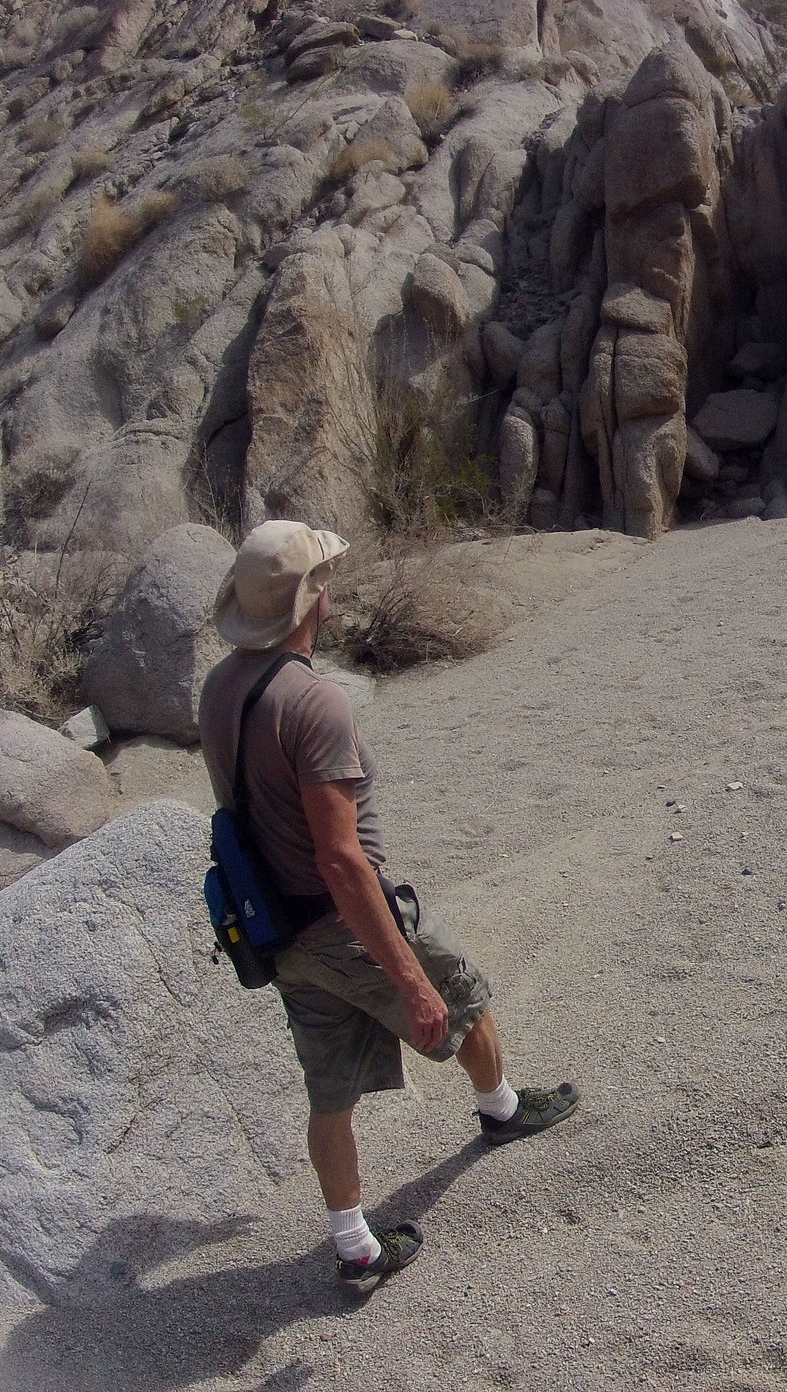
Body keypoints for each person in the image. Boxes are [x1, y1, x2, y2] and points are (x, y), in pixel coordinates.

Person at [199, 520, 580, 1286]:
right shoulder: (314, 704)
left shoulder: (219, 689)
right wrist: (404, 976)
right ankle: (502, 1109)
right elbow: (342, 861)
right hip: (345, 921)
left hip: (280, 935)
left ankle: (355, 1247)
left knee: (328, 1088)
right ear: (311, 601)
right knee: (462, 991)